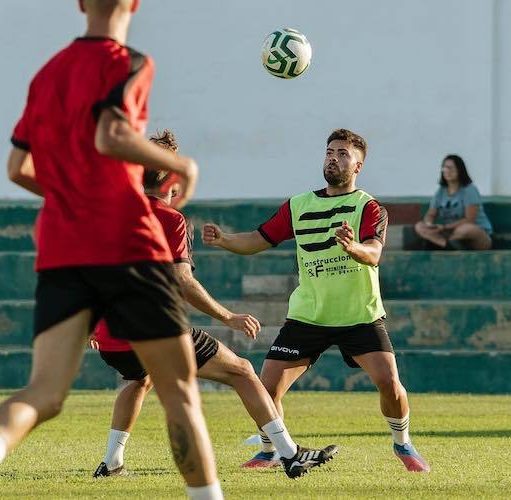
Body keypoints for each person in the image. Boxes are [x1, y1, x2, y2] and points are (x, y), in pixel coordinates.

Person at [0, 2, 223, 499]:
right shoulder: (129, 61)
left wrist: (70, 194)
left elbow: (18, 167)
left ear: (81, 4)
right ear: (135, 4)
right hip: (127, 242)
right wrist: (180, 164)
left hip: (62, 245)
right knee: (178, 391)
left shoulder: (47, 73)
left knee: (44, 392)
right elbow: (112, 133)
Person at [91, 130, 338, 480]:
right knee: (241, 371)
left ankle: (112, 462)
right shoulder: (170, 219)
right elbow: (182, 280)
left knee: (137, 378)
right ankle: (290, 454)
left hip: (112, 338)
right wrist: (228, 316)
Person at [202, 128, 430, 473]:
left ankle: (403, 443)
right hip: (309, 315)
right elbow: (258, 239)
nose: (333, 158)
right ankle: (271, 451)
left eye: (343, 154)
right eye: (329, 152)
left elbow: (374, 253)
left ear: (358, 166)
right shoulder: (299, 205)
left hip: (358, 315)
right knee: (267, 388)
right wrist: (223, 240)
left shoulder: (368, 207)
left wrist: (353, 248)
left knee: (389, 384)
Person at [414, 154, 493, 250]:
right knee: (419, 226)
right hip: (450, 232)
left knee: (466, 229)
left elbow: (470, 219)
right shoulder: (441, 191)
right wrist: (429, 224)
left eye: (451, 168)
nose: (447, 171)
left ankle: (441, 243)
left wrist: (444, 228)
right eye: (445, 168)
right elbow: (431, 214)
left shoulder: (469, 190)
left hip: (476, 234)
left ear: (460, 170)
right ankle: (447, 245)